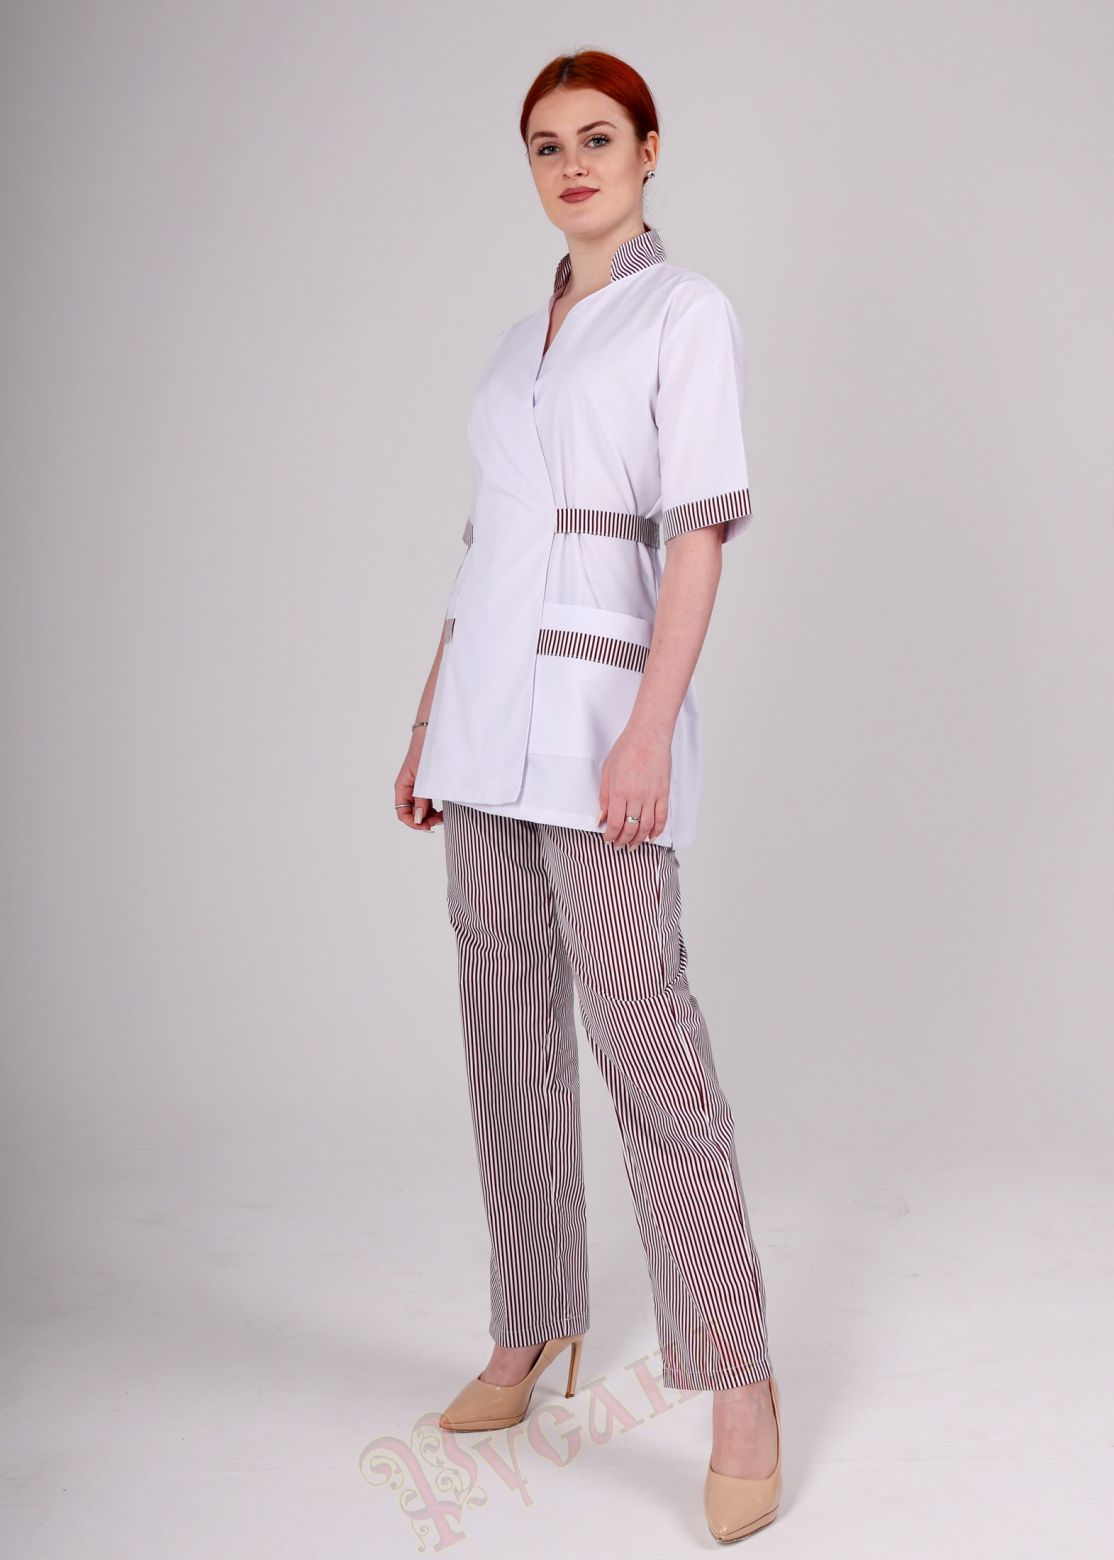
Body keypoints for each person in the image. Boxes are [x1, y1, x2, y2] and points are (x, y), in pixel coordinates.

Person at [394, 49, 782, 1543]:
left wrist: (647, 730)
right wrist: (428, 722)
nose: (571, 165)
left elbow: (696, 538)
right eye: (547, 145)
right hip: (482, 736)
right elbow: (486, 548)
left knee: (648, 1053)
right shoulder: (516, 347)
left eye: (597, 138)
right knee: (504, 1044)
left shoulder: (686, 315)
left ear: (648, 150)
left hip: (599, 729)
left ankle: (738, 1378)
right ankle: (532, 1320)